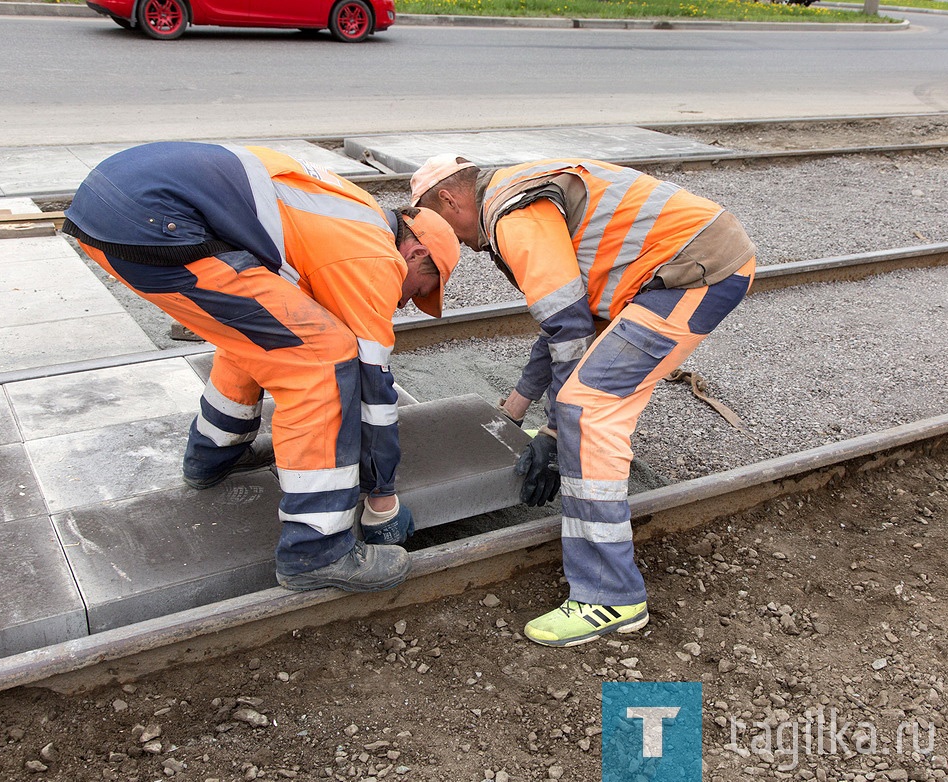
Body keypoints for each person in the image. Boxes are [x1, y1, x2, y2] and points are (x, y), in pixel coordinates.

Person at [63, 141, 460, 593]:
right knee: (324, 359)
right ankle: (316, 551)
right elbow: (373, 387)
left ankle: (214, 456)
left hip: (116, 202)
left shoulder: (353, 212)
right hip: (155, 221)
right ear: (413, 254)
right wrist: (381, 494)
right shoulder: (371, 257)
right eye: (419, 290)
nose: (405, 302)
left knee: (267, 334)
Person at [411, 154, 756, 646]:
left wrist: (555, 431)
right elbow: (562, 322)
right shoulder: (516, 195)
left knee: (587, 411)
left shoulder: (510, 213)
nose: (454, 244)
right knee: (577, 404)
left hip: (693, 272)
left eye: (442, 225)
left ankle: (611, 596)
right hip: (670, 268)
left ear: (450, 199)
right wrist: (512, 412)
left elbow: (571, 330)